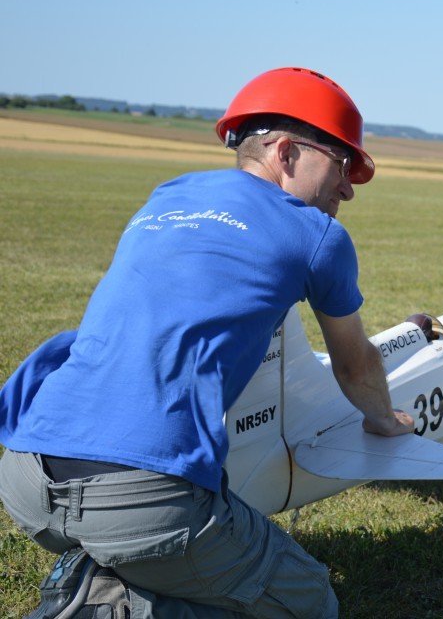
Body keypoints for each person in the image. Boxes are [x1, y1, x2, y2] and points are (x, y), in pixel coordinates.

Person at [0, 67, 414, 617]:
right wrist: (384, 420)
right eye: (341, 164)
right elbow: (355, 366)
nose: (347, 189)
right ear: (286, 152)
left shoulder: (169, 195)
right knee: (312, 602)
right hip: (141, 497)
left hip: (26, 475)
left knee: (143, 541)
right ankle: (108, 605)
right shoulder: (317, 235)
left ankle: (107, 573)